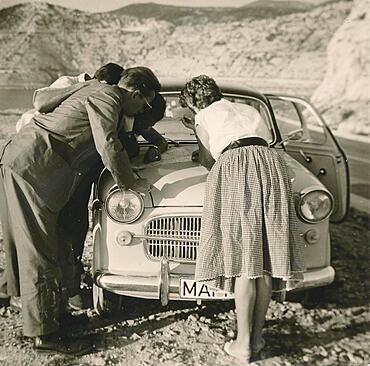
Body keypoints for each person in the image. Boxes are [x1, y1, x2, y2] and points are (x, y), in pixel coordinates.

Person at [0, 66, 160, 355]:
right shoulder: (111, 96)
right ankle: (45, 335)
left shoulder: (96, 89)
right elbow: (107, 144)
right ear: (136, 94)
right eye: (144, 105)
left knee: (52, 246)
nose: (139, 112)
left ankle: (54, 318)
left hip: (33, 166)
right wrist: (131, 184)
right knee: (39, 251)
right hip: (34, 168)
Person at [180, 75, 305, 363]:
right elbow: (259, 140)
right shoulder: (248, 109)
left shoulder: (203, 117)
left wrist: (197, 137)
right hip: (271, 166)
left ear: (190, 102)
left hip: (237, 168)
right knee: (262, 259)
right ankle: (256, 338)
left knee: (246, 259)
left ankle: (244, 345)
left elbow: (208, 160)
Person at [0, 63, 125, 311]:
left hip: (44, 165)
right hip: (44, 167)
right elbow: (106, 141)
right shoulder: (83, 89)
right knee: (46, 240)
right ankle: (54, 299)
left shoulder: (85, 90)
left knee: (32, 236)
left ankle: (19, 292)